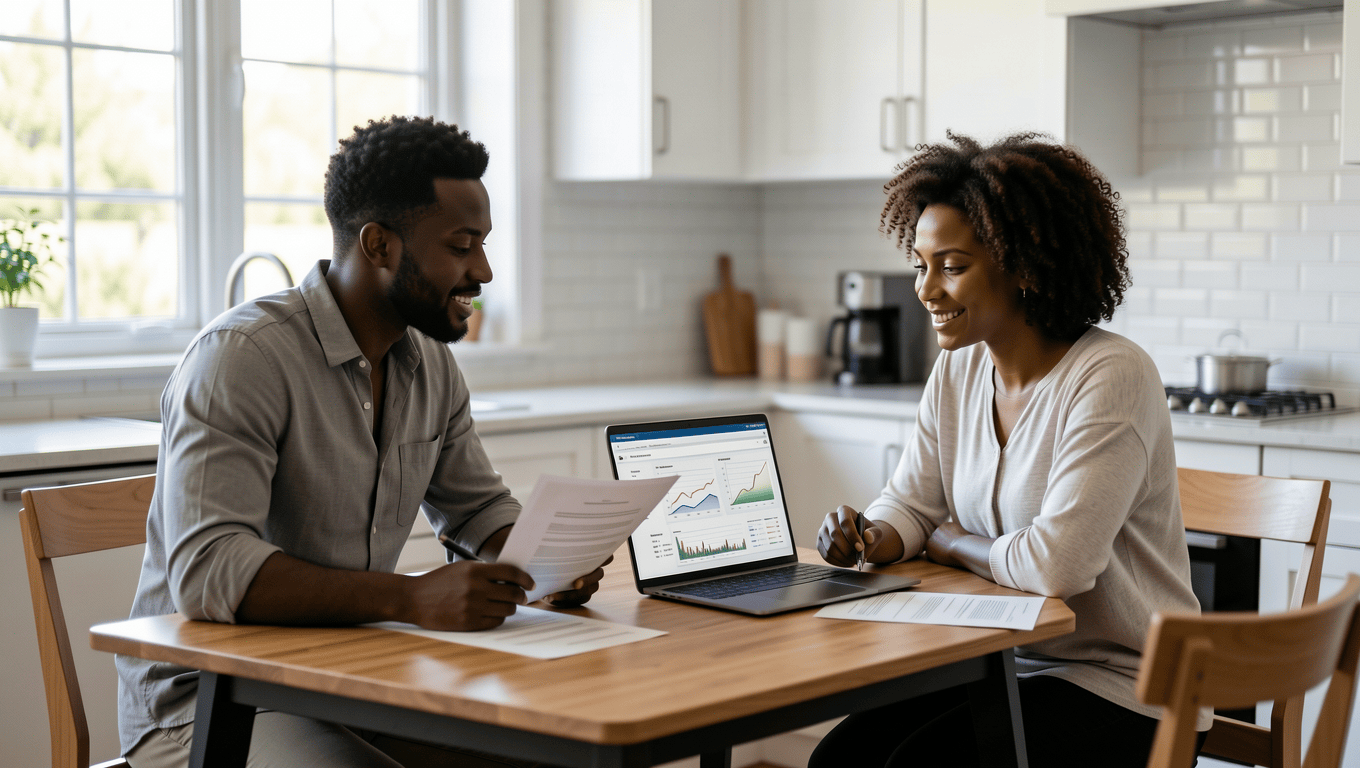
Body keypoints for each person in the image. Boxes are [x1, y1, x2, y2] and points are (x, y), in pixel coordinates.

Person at [117, 116, 603, 768]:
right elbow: (210, 573)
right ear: (379, 246)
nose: (482, 270)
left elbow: (479, 510)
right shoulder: (241, 358)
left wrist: (546, 563)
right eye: (462, 245)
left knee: (557, 754)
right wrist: (409, 597)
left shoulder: (430, 364)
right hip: (208, 704)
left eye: (483, 243)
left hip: (358, 679)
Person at [809, 132, 1208, 768]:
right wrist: (876, 534)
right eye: (921, 263)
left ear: (1023, 266)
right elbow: (913, 500)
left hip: (1125, 688)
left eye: (953, 266)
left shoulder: (1111, 376)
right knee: (844, 757)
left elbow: (1057, 568)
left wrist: (951, 543)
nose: (926, 290)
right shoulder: (959, 371)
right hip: (1000, 663)